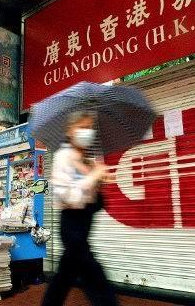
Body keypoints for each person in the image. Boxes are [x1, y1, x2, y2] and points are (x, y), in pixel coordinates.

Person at [41, 111, 118, 306]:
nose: (87, 132)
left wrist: (101, 179)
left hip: (84, 224)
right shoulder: (63, 157)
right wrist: (93, 177)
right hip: (72, 225)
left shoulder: (86, 159)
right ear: (70, 131)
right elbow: (65, 195)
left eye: (90, 128)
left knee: (64, 276)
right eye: (82, 127)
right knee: (94, 276)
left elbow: (90, 198)